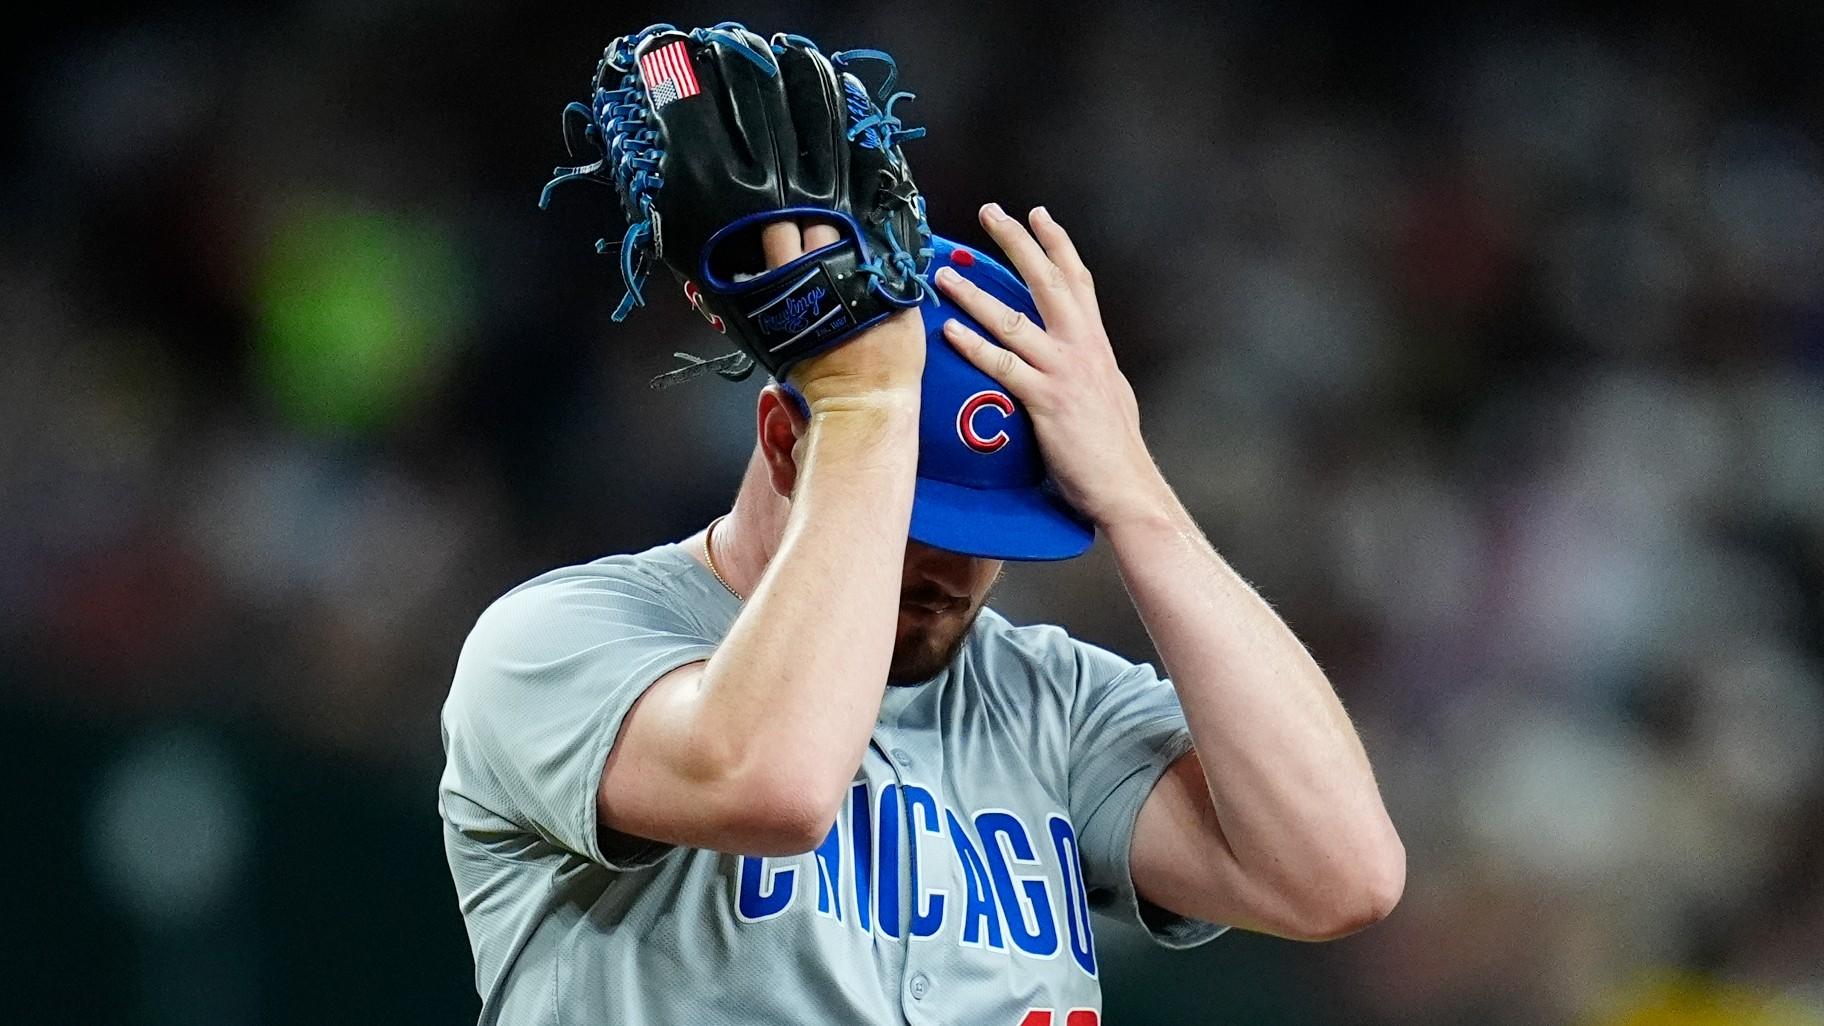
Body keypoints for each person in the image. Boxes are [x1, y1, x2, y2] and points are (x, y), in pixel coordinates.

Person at [437, 205, 1405, 1025]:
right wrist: (864, 411)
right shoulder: (563, 640)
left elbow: (1339, 875)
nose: (952, 567)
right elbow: (773, 783)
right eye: (914, 512)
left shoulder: (1050, 704)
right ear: (784, 444)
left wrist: (1138, 498)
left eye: (994, 528)